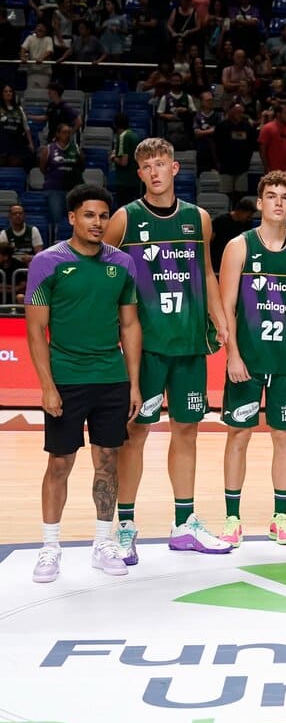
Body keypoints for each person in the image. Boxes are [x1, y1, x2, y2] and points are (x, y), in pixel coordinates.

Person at [102, 138, 230, 561]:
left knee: (187, 431)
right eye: (147, 166)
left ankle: (184, 523)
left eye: (162, 164)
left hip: (189, 343)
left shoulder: (199, 219)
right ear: (139, 174)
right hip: (147, 345)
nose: (155, 172)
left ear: (175, 169)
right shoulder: (124, 220)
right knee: (135, 434)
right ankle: (124, 526)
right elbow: (100, 273)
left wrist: (221, 321)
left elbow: (209, 274)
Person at [25, 184, 142, 583]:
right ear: (72, 217)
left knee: (108, 464)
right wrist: (46, 385)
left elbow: (129, 324)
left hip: (111, 378)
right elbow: (36, 330)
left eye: (104, 215)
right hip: (67, 379)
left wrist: (134, 384)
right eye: (89, 215)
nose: (98, 222)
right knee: (60, 463)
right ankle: (49, 547)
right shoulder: (47, 262)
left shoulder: (123, 264)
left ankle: (102, 542)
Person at [217, 172, 286, 547]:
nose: (278, 202)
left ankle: (281, 517)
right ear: (259, 203)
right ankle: (232, 518)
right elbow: (226, 306)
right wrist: (232, 355)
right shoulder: (239, 246)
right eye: (271, 196)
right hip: (248, 360)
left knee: (284, 437)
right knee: (238, 435)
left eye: (285, 197)